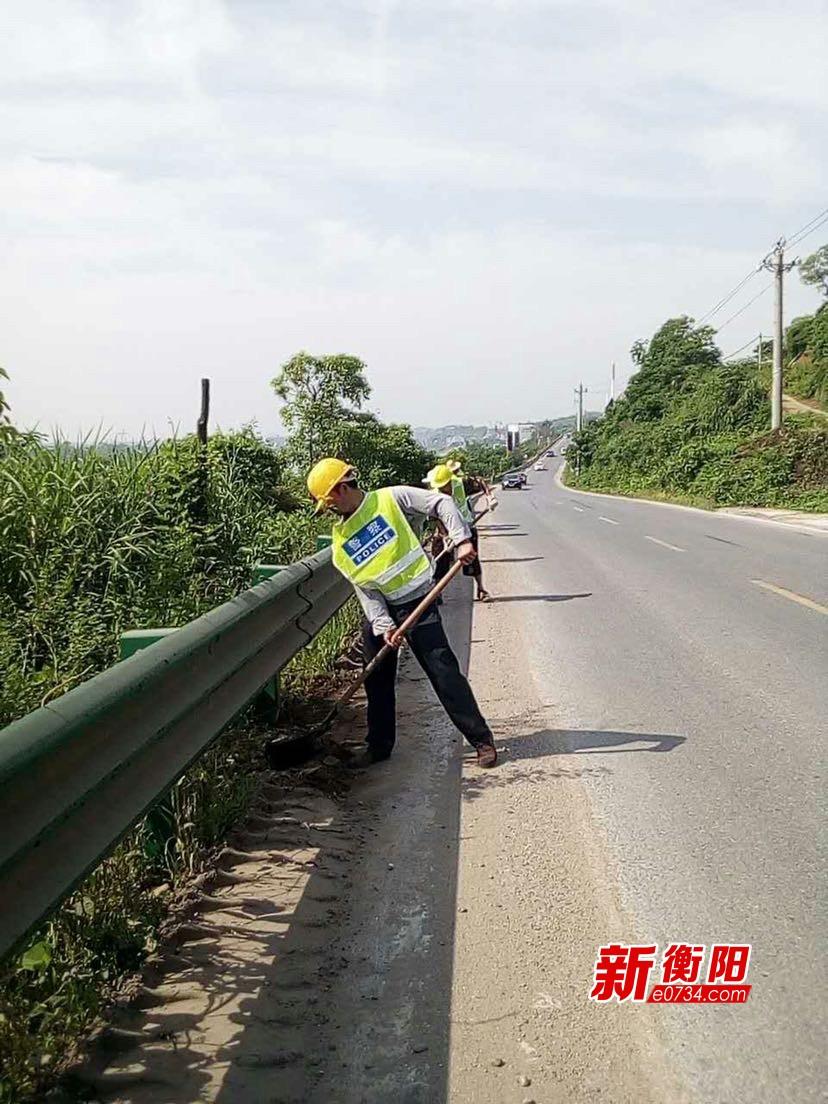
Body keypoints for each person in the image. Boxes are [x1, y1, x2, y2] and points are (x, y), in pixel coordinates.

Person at [307, 458, 498, 769]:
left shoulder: (390, 498)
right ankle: (378, 746)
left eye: (329, 502)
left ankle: (481, 740)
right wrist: (383, 626)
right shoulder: (341, 541)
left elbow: (443, 504)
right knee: (376, 678)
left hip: (419, 602)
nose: (329, 509)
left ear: (342, 488)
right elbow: (366, 589)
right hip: (384, 611)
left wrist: (462, 540)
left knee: (443, 672)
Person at [423, 463, 491, 602]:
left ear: (450, 481)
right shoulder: (433, 493)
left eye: (445, 485)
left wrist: (490, 497)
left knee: (471, 558)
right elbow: (434, 517)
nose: (443, 489)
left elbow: (480, 481)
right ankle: (437, 593)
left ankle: (481, 589)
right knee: (440, 562)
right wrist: (444, 535)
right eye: (440, 486)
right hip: (444, 529)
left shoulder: (461, 483)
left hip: (465, 525)